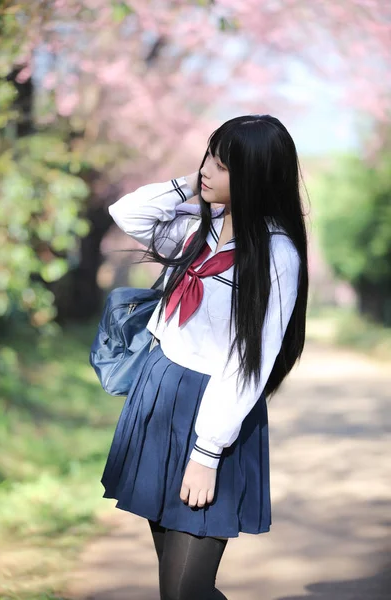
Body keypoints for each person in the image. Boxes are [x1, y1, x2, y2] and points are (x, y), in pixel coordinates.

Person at [101, 114, 309, 600]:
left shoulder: (276, 254)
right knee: (175, 586)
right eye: (210, 155)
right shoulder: (198, 226)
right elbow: (127, 214)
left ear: (257, 176)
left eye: (225, 163)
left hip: (214, 409)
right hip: (159, 394)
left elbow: (247, 362)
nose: (208, 169)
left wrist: (207, 451)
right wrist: (185, 186)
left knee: (184, 590)